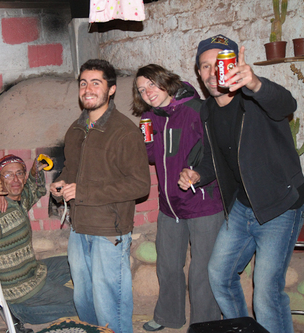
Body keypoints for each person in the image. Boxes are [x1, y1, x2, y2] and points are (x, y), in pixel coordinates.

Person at [178, 34, 304, 333]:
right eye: (204, 67)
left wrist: (256, 83)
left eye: (218, 64)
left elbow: (288, 103)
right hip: (242, 208)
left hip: (278, 206)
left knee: (266, 293)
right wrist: (196, 173)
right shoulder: (208, 110)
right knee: (219, 275)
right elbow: (212, 159)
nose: (211, 73)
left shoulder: (256, 98)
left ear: (234, 66)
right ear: (199, 72)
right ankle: (244, 330)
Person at [49, 59, 151, 333]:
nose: (88, 89)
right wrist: (60, 184)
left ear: (112, 89)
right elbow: (71, 169)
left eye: (96, 83)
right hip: (79, 228)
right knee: (83, 299)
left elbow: (140, 185)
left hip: (109, 232)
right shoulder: (77, 128)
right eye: (83, 83)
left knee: (110, 306)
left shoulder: (125, 132)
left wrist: (83, 192)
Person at [133, 64, 224, 331]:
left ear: (166, 82)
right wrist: (145, 139)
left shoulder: (197, 110)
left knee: (202, 271)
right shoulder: (152, 116)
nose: (147, 92)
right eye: (141, 89)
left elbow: (215, 154)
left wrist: (197, 174)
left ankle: (204, 324)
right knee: (168, 266)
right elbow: (152, 156)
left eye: (151, 84)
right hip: (170, 205)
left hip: (203, 204)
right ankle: (168, 317)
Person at [0, 154, 77, 333]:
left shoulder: (18, 201)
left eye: (19, 174)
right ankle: (21, 314)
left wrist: (34, 170)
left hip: (33, 272)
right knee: (83, 302)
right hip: (20, 292)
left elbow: (35, 189)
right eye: (8, 175)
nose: (15, 179)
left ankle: (30, 307)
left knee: (77, 261)